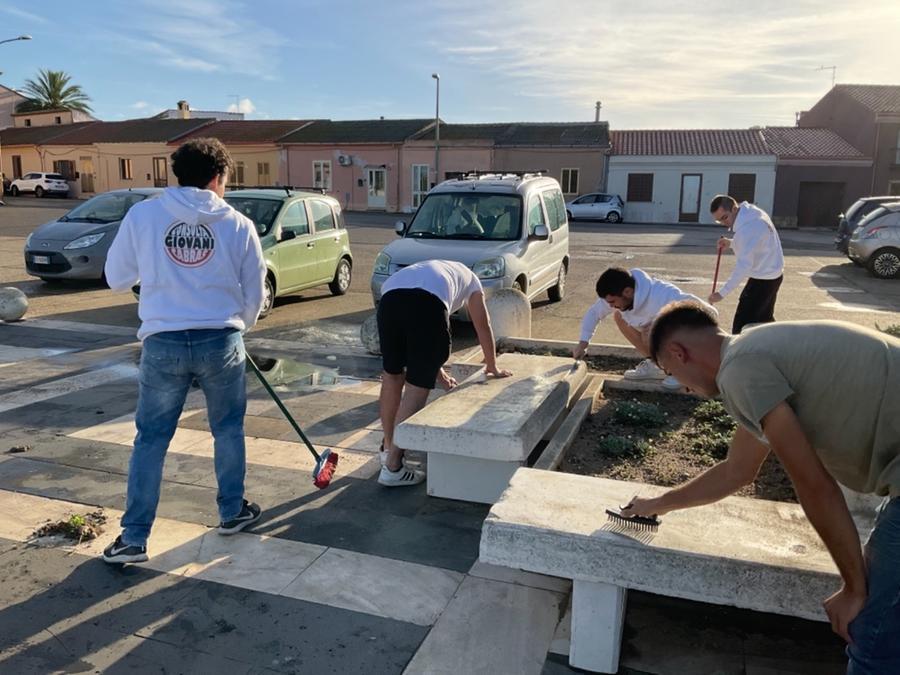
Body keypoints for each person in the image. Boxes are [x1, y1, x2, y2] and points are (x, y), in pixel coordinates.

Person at [627, 301, 899, 672]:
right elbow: (737, 471)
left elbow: (814, 485)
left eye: (669, 370)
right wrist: (658, 503)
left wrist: (853, 588)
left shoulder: (741, 371)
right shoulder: (754, 353)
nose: (681, 386)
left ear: (678, 352)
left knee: (869, 633)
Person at [101, 138, 266, 564]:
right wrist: (238, 329)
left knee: (151, 439)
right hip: (221, 339)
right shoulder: (238, 224)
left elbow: (116, 277)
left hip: (163, 341)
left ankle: (133, 539)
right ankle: (232, 511)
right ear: (218, 177)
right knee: (227, 429)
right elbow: (255, 293)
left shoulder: (144, 215)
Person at [377, 259, 512, 486]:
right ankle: (392, 466)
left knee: (392, 376)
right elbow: (483, 324)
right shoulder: (472, 281)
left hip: (389, 299)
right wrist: (492, 366)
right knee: (416, 388)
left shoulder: (433, 269)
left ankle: (388, 447)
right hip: (426, 304)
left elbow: (418, 346)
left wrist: (438, 373)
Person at [574, 267, 716, 390]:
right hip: (663, 340)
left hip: (688, 342)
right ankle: (657, 366)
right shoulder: (618, 295)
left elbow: (709, 311)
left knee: (651, 330)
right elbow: (593, 313)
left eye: (612, 301)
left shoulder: (662, 294)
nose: (610, 305)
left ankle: (681, 372)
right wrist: (583, 343)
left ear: (627, 292)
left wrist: (664, 324)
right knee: (619, 316)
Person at [707, 194, 784, 333]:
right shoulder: (751, 212)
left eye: (724, 217)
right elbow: (755, 243)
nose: (724, 223)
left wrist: (721, 293)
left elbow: (743, 266)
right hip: (773, 273)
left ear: (734, 209)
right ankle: (773, 345)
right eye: (719, 221)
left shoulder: (747, 228)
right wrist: (731, 243)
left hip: (764, 278)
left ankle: (742, 352)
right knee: (763, 319)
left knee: (742, 325)